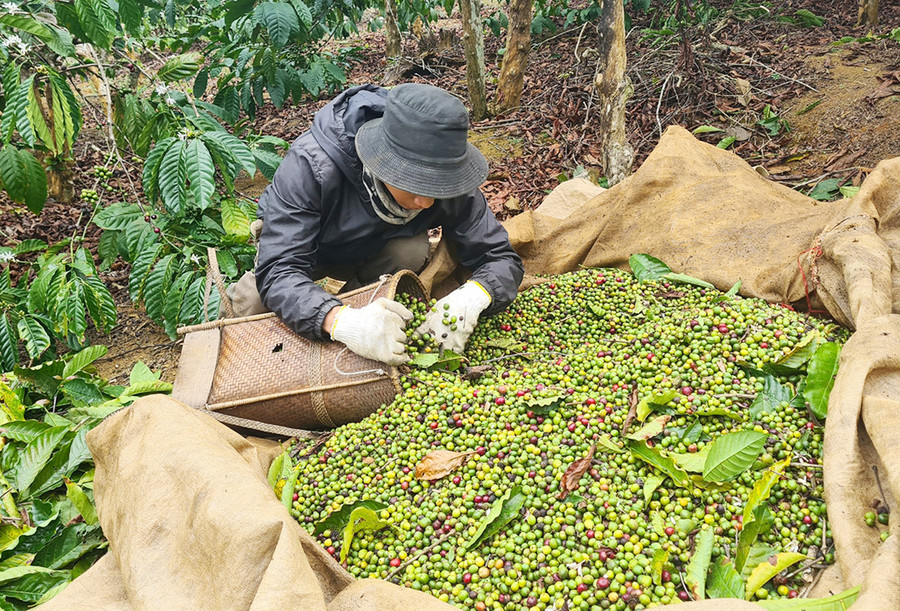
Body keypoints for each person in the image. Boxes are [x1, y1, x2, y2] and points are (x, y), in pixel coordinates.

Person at [254, 83, 524, 366]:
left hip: (377, 244)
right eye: (415, 185)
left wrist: (475, 296)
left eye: (437, 188)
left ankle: (363, 300)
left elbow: (500, 257)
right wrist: (341, 321)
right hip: (313, 243)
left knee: (408, 252)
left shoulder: (451, 177)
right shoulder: (312, 167)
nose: (427, 202)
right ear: (382, 162)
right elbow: (280, 269)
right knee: (256, 302)